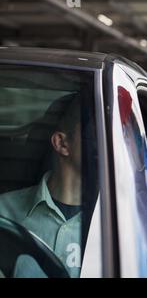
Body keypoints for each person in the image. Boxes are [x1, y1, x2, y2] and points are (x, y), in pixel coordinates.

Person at [0, 95, 82, 278]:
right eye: (97, 130)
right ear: (61, 143)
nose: (108, 140)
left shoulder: (118, 222)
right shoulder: (3, 213)